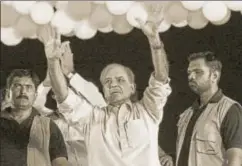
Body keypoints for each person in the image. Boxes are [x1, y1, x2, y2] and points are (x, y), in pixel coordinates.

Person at [42, 16, 172, 166]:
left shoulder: (147, 112)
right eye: (108, 82)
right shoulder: (92, 119)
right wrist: (52, 61)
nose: (113, 84)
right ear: (103, 90)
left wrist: (155, 44)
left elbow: (161, 79)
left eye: (120, 80)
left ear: (132, 88)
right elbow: (63, 96)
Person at [176, 51, 242, 166]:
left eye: (198, 72)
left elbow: (235, 158)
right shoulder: (186, 115)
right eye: (189, 72)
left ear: (214, 76)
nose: (191, 77)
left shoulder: (229, 110)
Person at [0, 69, 69, 166]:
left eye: (28, 87)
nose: (23, 91)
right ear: (8, 93)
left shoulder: (48, 126)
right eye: (17, 86)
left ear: (35, 95)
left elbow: (60, 162)